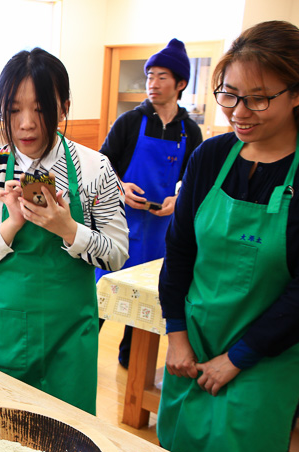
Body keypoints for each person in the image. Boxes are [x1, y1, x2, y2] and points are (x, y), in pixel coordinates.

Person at [158, 21, 299, 452]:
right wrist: (176, 334)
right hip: (193, 344)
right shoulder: (211, 157)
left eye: (258, 98)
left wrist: (237, 358)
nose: (240, 112)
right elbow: (181, 253)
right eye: (228, 95)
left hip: (265, 357)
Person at [0, 48, 128, 414]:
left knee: (66, 445)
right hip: (0, 336)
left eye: (40, 108)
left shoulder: (93, 169)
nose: (26, 123)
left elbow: (116, 255)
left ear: (63, 108)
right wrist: (11, 224)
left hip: (69, 343)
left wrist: (67, 228)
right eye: (14, 109)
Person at [97, 38, 203, 368]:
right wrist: (121, 187)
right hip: (120, 224)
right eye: (149, 76)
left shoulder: (191, 132)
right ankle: (79, 350)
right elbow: (102, 166)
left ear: (180, 84)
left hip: (161, 230)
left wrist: (179, 197)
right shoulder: (130, 122)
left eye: (161, 77)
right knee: (101, 294)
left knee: (149, 296)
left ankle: (132, 360)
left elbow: (193, 181)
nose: (152, 84)